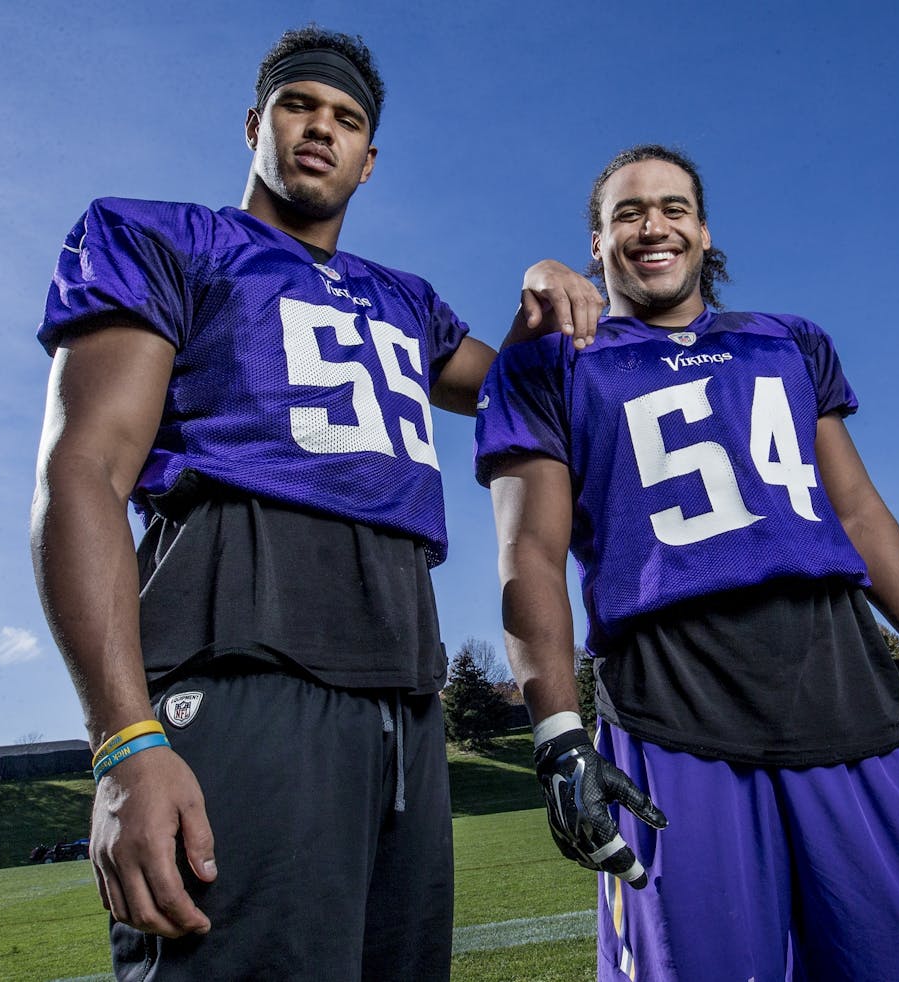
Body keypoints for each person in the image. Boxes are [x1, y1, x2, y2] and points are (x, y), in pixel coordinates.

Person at [31, 26, 600, 981]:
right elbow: (81, 474)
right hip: (243, 659)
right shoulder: (168, 239)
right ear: (256, 123)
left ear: (369, 160)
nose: (319, 129)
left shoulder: (404, 300)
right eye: (300, 105)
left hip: (402, 691)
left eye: (346, 119)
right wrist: (123, 742)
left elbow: (512, 393)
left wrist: (543, 283)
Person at [475, 144, 899, 981]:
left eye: (674, 207)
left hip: (842, 686)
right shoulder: (551, 364)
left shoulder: (788, 342)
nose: (654, 225)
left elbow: (855, 508)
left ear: (705, 232)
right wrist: (561, 737)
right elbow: (528, 550)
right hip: (672, 703)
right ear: (596, 247)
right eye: (628, 213)